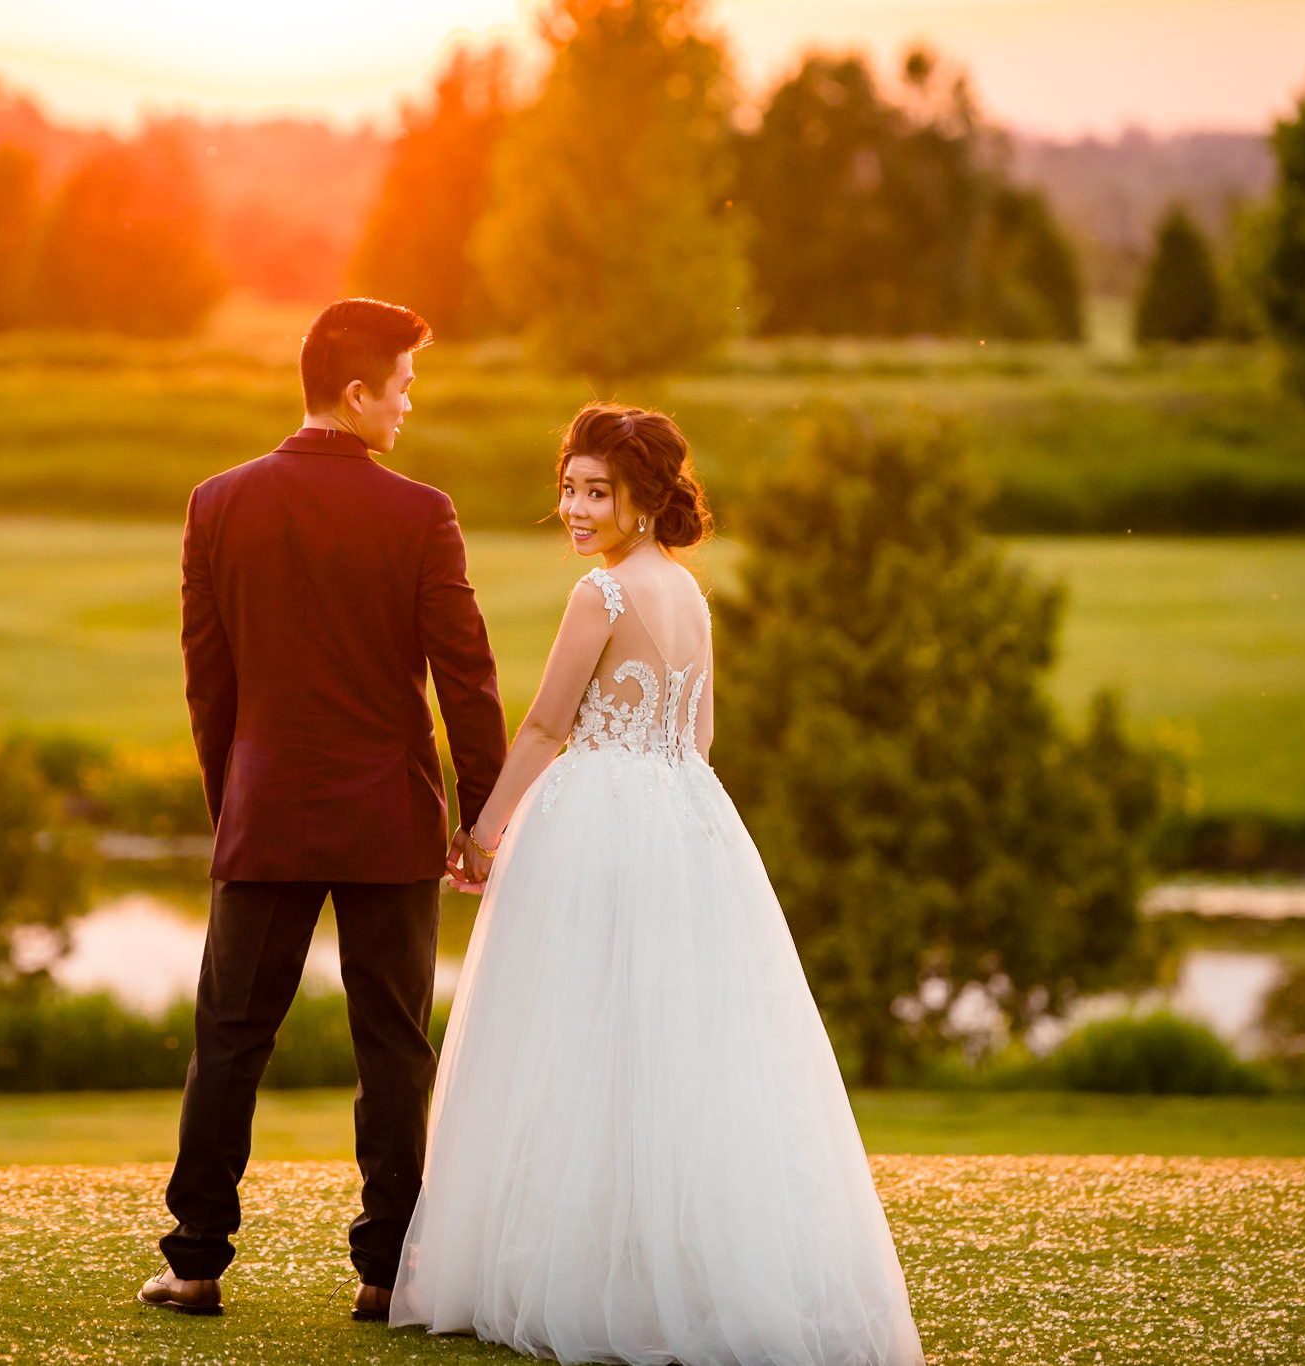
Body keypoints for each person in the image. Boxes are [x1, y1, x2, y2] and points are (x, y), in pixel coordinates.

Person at [389, 403, 925, 1366]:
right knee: (668, 1041)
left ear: (645, 499)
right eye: (571, 487)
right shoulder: (687, 593)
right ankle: (660, 1261)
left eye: (599, 492)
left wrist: (484, 829)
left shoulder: (603, 597)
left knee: (578, 1035)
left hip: (597, 816)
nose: (578, 507)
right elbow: (701, 738)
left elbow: (548, 726)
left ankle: (588, 1271)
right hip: (686, 820)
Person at [139, 298, 510, 1322]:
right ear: (355, 394)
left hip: (264, 814)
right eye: (400, 386)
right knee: (392, 1044)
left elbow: (206, 685)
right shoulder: (419, 513)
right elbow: (466, 682)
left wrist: (236, 808)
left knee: (228, 1039)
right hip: (389, 818)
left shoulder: (215, 503)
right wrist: (478, 822)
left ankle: (194, 1261)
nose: (406, 406)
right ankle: (386, 1271)